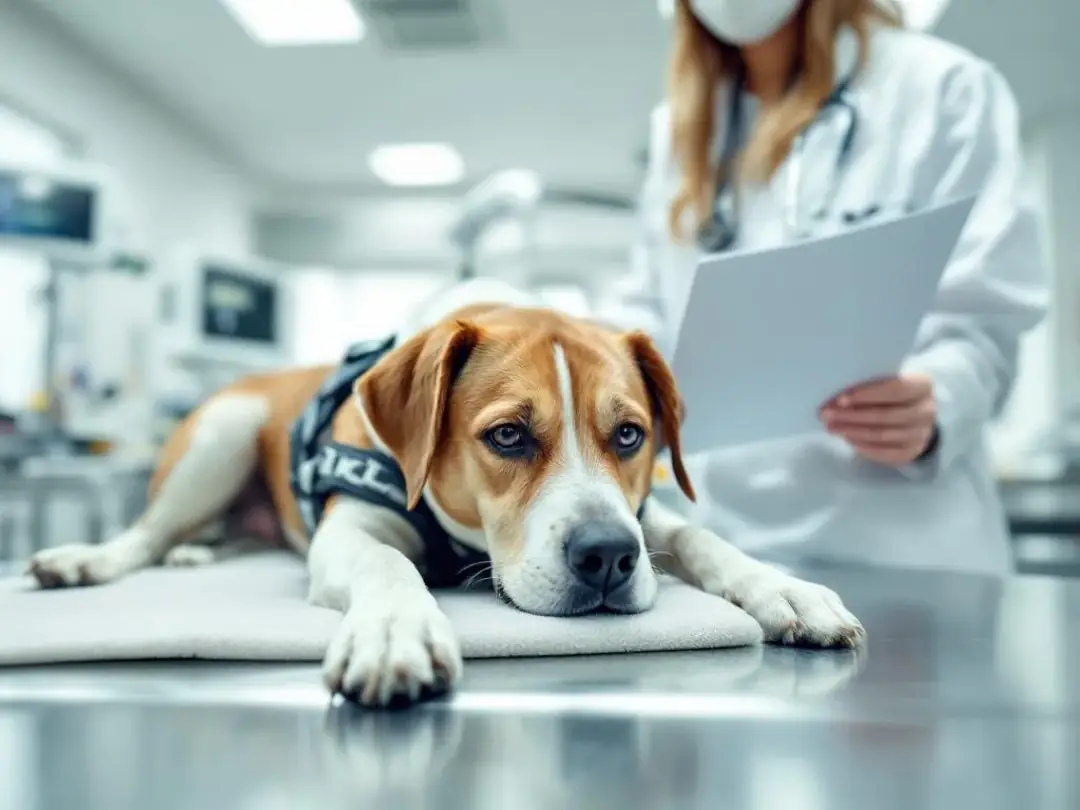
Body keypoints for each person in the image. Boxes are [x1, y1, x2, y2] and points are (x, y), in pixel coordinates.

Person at [596, 0, 1048, 576]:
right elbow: (648, 314)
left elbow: (990, 311)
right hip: (734, 551)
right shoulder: (684, 128)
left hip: (904, 550)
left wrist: (942, 397)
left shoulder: (941, 89)